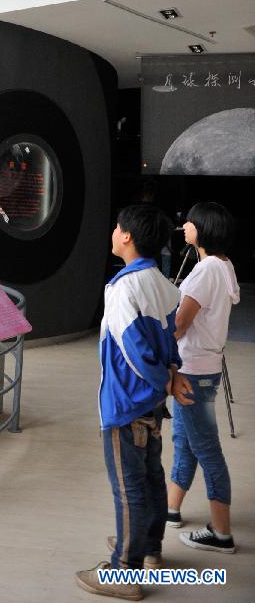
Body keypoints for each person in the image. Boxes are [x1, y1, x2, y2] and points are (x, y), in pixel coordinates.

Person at [76, 204, 185, 601]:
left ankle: (124, 569)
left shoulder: (123, 287)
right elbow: (170, 340)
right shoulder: (163, 283)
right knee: (151, 476)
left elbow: (133, 348)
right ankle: (149, 546)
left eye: (117, 227)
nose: (114, 232)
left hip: (126, 403)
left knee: (128, 488)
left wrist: (164, 379)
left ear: (127, 237)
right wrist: (171, 375)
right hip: (152, 402)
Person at [167, 202, 239, 554]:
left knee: (207, 450)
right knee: (185, 441)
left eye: (190, 221)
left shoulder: (204, 270)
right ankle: (171, 509)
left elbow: (180, 324)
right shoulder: (223, 266)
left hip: (191, 372)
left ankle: (221, 534)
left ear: (204, 228)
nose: (185, 225)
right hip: (204, 368)